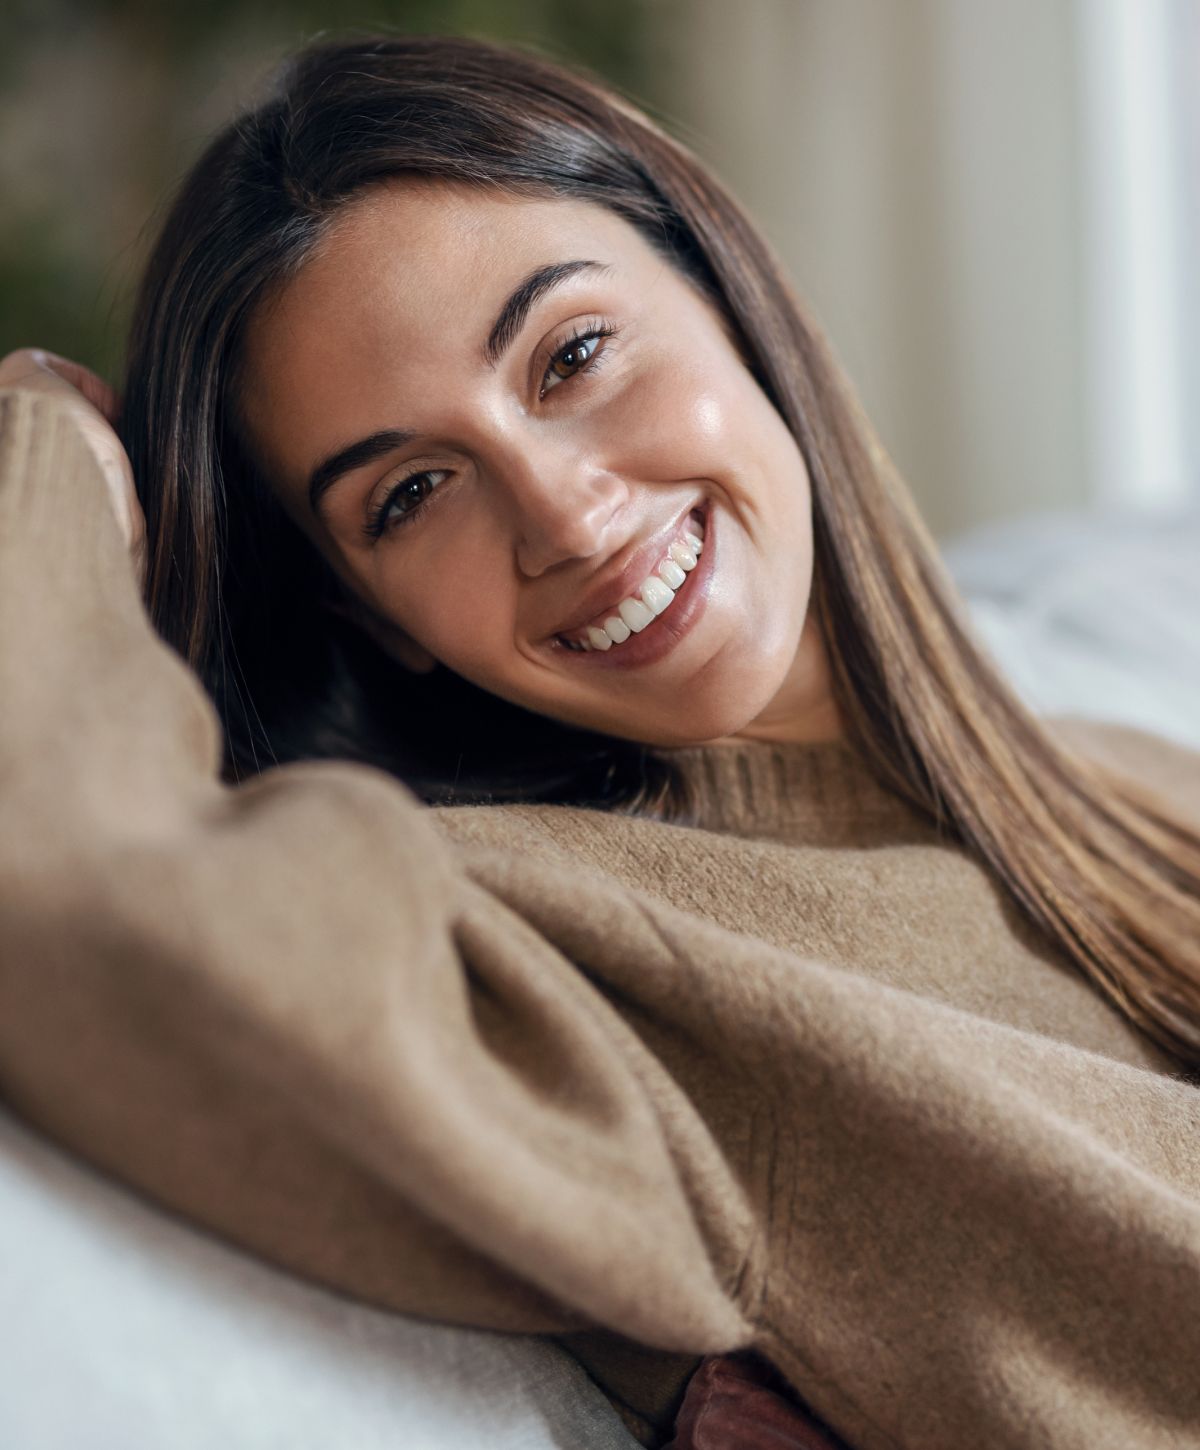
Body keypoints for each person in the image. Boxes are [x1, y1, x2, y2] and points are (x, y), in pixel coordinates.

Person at [2, 31, 1200, 1450]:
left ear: (723, 287)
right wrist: (41, 459)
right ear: (375, 616)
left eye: (571, 354)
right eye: (413, 492)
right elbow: (74, 905)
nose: (564, 513)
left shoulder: (1121, 775)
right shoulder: (585, 945)